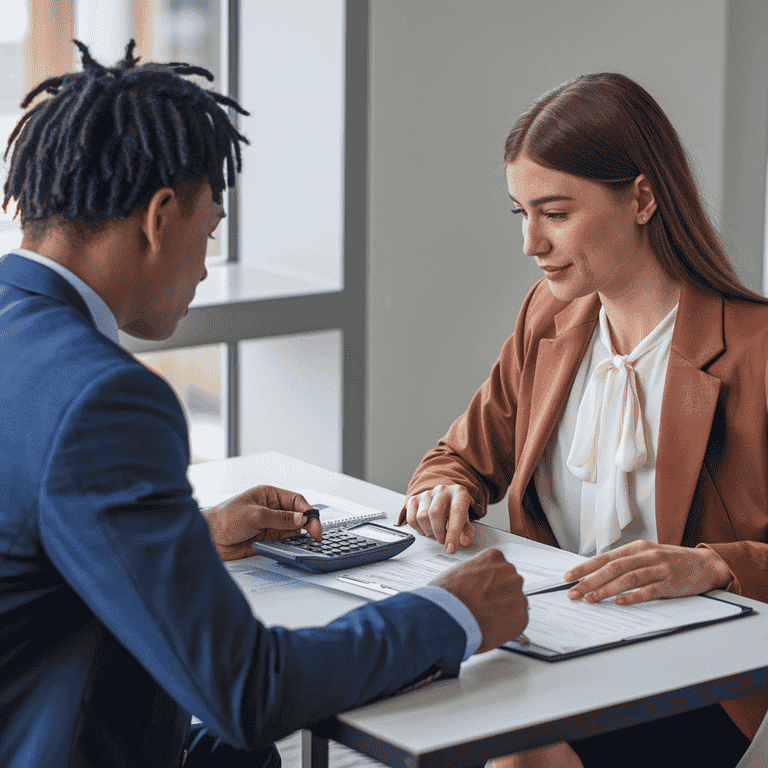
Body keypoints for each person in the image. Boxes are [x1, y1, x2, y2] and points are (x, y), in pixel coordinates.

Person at [0, 41, 530, 768]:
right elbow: (246, 689)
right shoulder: (104, 399)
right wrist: (453, 613)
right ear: (159, 218)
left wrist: (181, 539)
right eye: (209, 232)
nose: (206, 266)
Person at [399, 72, 768, 768]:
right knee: (415, 701)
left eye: (556, 213)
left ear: (643, 198)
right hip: (555, 638)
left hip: (696, 670)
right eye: (521, 213)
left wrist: (716, 565)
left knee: (515, 753)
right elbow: (460, 456)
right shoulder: (548, 317)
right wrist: (445, 489)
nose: (531, 243)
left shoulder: (756, 350)